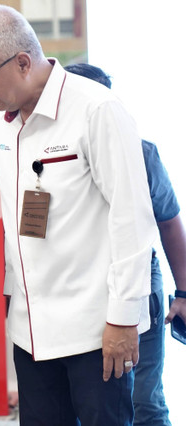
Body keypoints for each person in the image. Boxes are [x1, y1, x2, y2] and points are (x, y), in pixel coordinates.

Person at [0, 5, 157, 425]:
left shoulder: (96, 110)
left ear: (23, 63)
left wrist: (122, 320)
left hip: (95, 330)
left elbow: (131, 219)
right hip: (31, 334)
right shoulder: (6, 118)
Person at [65, 63, 186, 426]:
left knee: (144, 398)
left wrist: (183, 293)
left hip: (135, 282)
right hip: (75, 284)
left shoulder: (140, 152)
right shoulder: (44, 152)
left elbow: (169, 223)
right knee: (84, 399)